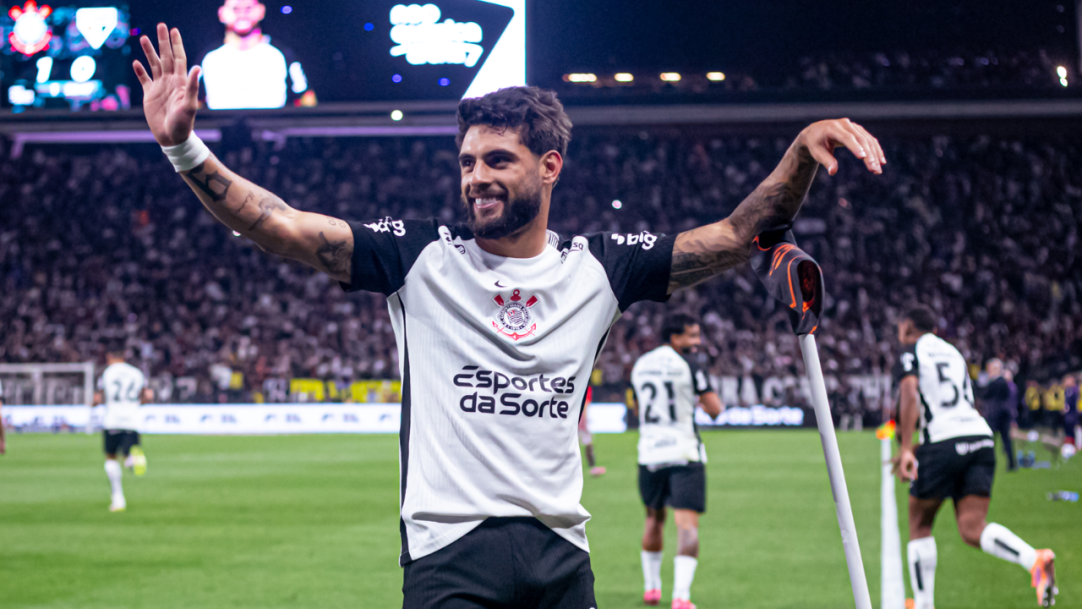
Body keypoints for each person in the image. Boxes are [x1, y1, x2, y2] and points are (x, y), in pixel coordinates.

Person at [133, 23, 884, 607]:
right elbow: (284, 224)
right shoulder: (420, 258)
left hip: (563, 554)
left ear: (548, 166)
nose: (476, 178)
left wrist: (801, 154)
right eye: (467, 162)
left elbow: (730, 235)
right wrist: (184, 149)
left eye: (497, 160)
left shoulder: (600, 268)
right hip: (449, 556)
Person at [893, 306, 1057, 609]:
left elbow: (909, 391)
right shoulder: (954, 353)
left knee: (919, 523)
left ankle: (924, 604)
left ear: (907, 326)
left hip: (942, 440)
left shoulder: (911, 350)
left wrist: (905, 447)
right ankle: (1033, 559)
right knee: (972, 527)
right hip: (979, 439)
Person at [630, 312, 723, 609]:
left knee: (653, 519)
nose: (696, 342)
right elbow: (715, 409)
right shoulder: (691, 365)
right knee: (686, 525)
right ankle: (681, 597)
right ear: (675, 337)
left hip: (650, 453)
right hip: (683, 453)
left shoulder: (641, 363)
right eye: (691, 336)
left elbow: (634, 405)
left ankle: (651, 589)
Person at [201, 0, 308, 109]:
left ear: (261, 10)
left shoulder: (283, 55)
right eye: (235, 8)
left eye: (248, 8)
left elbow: (306, 98)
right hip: (219, 124)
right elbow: (193, 100)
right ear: (222, 13)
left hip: (274, 124)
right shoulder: (208, 58)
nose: (242, 14)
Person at [95, 345, 153, 512]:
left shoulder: (107, 373)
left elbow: (100, 396)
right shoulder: (136, 373)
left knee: (111, 457)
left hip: (112, 420)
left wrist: (93, 403)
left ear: (109, 356)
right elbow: (145, 396)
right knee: (128, 450)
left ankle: (118, 498)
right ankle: (131, 459)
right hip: (132, 421)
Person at [980, 358, 1017, 471]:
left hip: (994, 415)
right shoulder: (1004, 382)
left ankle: (988, 462)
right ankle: (1012, 464)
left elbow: (984, 395)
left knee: (991, 440)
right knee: (1006, 440)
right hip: (1004, 414)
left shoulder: (995, 382)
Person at [579, 386, 606, 477]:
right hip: (582, 420)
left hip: (574, 418)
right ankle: (593, 467)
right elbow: (585, 405)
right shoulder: (587, 387)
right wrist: (585, 422)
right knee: (589, 443)